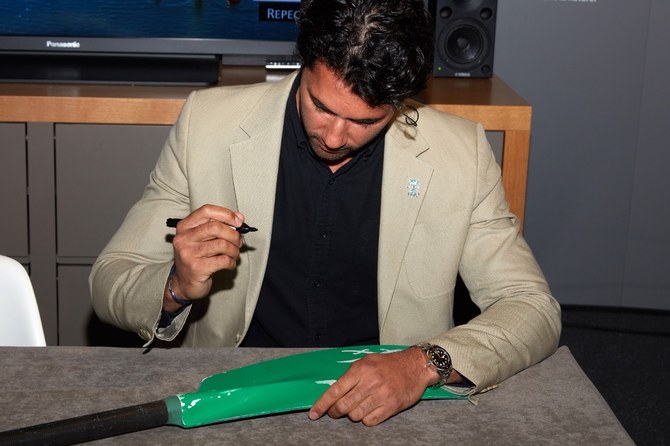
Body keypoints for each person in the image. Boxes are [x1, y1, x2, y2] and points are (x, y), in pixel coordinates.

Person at [91, 0, 561, 427]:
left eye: (365, 121)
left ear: (399, 102)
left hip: (389, 407)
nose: (335, 138)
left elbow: (532, 307)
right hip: (236, 396)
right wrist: (175, 285)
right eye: (321, 107)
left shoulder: (461, 155)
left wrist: (422, 364)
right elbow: (110, 281)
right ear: (303, 62)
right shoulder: (208, 124)